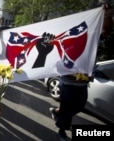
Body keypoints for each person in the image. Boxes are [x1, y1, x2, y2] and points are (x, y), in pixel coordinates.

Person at [49, 4, 113, 141]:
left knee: (79, 106)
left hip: (83, 84)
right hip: (67, 84)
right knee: (67, 109)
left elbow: (107, 30)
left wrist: (107, 14)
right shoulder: (62, 44)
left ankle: (56, 111)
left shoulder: (90, 41)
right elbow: (56, 64)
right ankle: (62, 131)